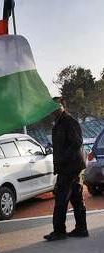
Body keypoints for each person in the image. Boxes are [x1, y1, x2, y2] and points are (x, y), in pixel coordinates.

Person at [44, 97, 88, 241]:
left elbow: (77, 143)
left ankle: (59, 231)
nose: (52, 111)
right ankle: (81, 229)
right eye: (51, 108)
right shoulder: (59, 123)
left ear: (62, 106)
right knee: (76, 199)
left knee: (61, 199)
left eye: (55, 107)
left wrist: (63, 158)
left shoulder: (68, 121)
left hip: (70, 168)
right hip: (70, 167)